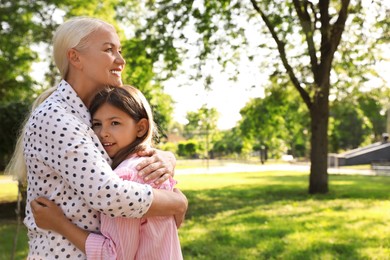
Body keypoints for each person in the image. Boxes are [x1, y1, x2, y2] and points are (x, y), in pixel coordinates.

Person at [5, 16, 187, 259]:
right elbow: (109, 194)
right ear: (75, 57)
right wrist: (178, 203)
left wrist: (166, 156)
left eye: (119, 50)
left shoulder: (89, 114)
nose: (121, 60)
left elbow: (122, 158)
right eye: (109, 49)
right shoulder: (57, 117)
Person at [32, 85, 183, 259]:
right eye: (97, 124)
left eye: (115, 123)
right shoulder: (154, 167)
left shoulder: (127, 176)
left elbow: (115, 255)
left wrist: (59, 224)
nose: (103, 133)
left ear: (141, 128)